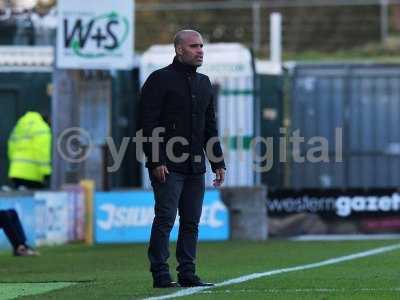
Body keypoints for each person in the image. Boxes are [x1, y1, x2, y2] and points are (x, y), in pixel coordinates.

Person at [140, 29, 226, 288]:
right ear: (179, 50)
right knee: (165, 218)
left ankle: (188, 274)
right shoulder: (159, 79)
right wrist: (155, 160)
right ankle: (160, 274)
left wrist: (217, 162)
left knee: (191, 222)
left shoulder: (204, 83)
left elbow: (209, 126)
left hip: (195, 166)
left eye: (202, 46)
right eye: (194, 46)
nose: (200, 50)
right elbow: (147, 123)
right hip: (167, 164)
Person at [8, 111, 52, 190]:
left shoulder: (20, 125)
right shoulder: (42, 127)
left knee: (19, 198)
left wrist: (14, 164)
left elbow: (11, 146)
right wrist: (46, 172)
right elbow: (41, 151)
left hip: (15, 172)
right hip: (32, 173)